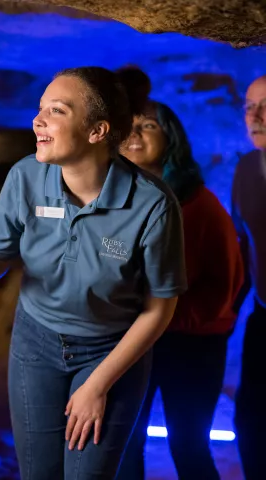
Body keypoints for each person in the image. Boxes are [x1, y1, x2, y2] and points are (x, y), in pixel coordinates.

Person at [0, 66, 187, 480]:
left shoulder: (152, 205)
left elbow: (159, 309)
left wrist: (97, 385)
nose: (38, 120)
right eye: (40, 108)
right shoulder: (26, 177)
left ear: (97, 131)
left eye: (57, 110)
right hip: (36, 345)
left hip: (110, 352)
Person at [117, 97, 243, 480]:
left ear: (171, 139)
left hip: (191, 343)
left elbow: (227, 284)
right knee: (125, 443)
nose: (135, 133)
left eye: (149, 125)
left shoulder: (198, 206)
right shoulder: (119, 197)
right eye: (129, 125)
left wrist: (161, 318)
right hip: (138, 339)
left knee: (187, 444)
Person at [232, 74, 266, 480]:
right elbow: (243, 246)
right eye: (249, 106)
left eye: (265, 106)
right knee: (252, 424)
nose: (255, 116)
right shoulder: (245, 169)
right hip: (264, 317)